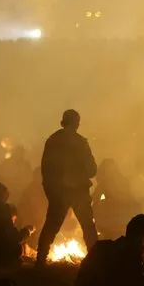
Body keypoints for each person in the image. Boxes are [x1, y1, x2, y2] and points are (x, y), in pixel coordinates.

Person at [36, 110, 98, 268]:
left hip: (61, 192)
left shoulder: (53, 140)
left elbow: (46, 170)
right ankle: (96, 262)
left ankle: (40, 260)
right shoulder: (81, 142)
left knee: (52, 226)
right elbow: (92, 170)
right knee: (88, 227)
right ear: (76, 122)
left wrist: (51, 191)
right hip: (76, 192)